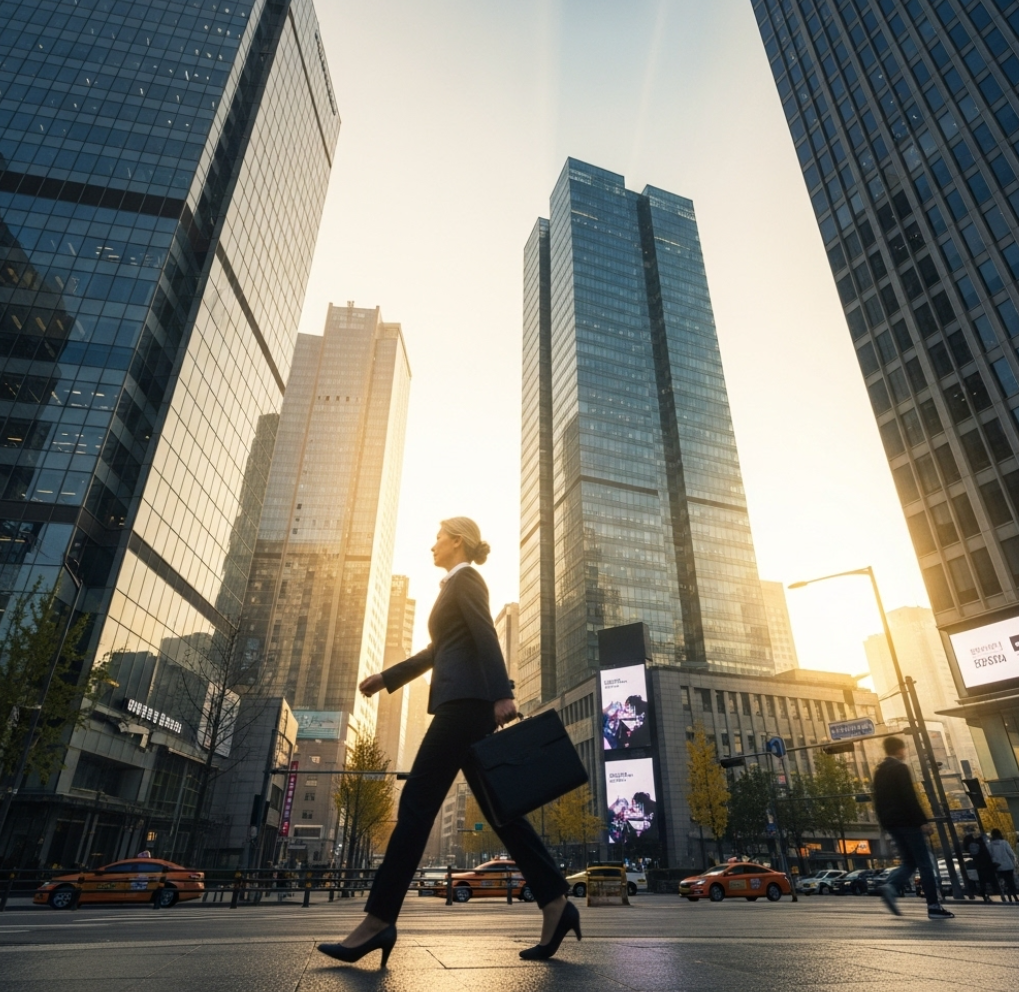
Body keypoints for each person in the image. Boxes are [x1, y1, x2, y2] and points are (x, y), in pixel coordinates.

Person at [317, 518, 575, 968]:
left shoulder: (467, 580)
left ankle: (378, 921)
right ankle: (556, 902)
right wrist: (389, 677)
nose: (432, 544)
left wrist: (502, 693)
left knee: (416, 806)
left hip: (465, 706)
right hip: (466, 704)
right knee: (502, 810)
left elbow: (485, 634)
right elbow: (439, 650)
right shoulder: (451, 586)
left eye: (438, 537)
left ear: (457, 541)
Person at [873, 736, 954, 920]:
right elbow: (908, 796)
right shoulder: (900, 768)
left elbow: (877, 799)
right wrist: (922, 821)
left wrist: (885, 823)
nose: (905, 753)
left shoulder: (879, 770)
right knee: (924, 863)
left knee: (909, 862)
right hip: (908, 822)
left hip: (891, 824)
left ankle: (891, 885)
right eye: (904, 749)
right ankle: (933, 906)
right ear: (899, 749)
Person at [964, 830, 1002, 902]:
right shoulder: (981, 843)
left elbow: (970, 851)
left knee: (982, 881)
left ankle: (983, 892)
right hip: (987, 864)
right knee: (992, 879)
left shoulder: (971, 845)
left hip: (979, 865)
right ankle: (996, 891)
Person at [987, 828, 1018, 903]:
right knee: (1011, 882)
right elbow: (1011, 853)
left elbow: (990, 856)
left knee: (1002, 882)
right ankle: (1015, 897)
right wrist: (1015, 862)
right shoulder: (1004, 843)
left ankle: (1005, 895)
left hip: (998, 866)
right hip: (1008, 865)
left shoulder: (990, 845)